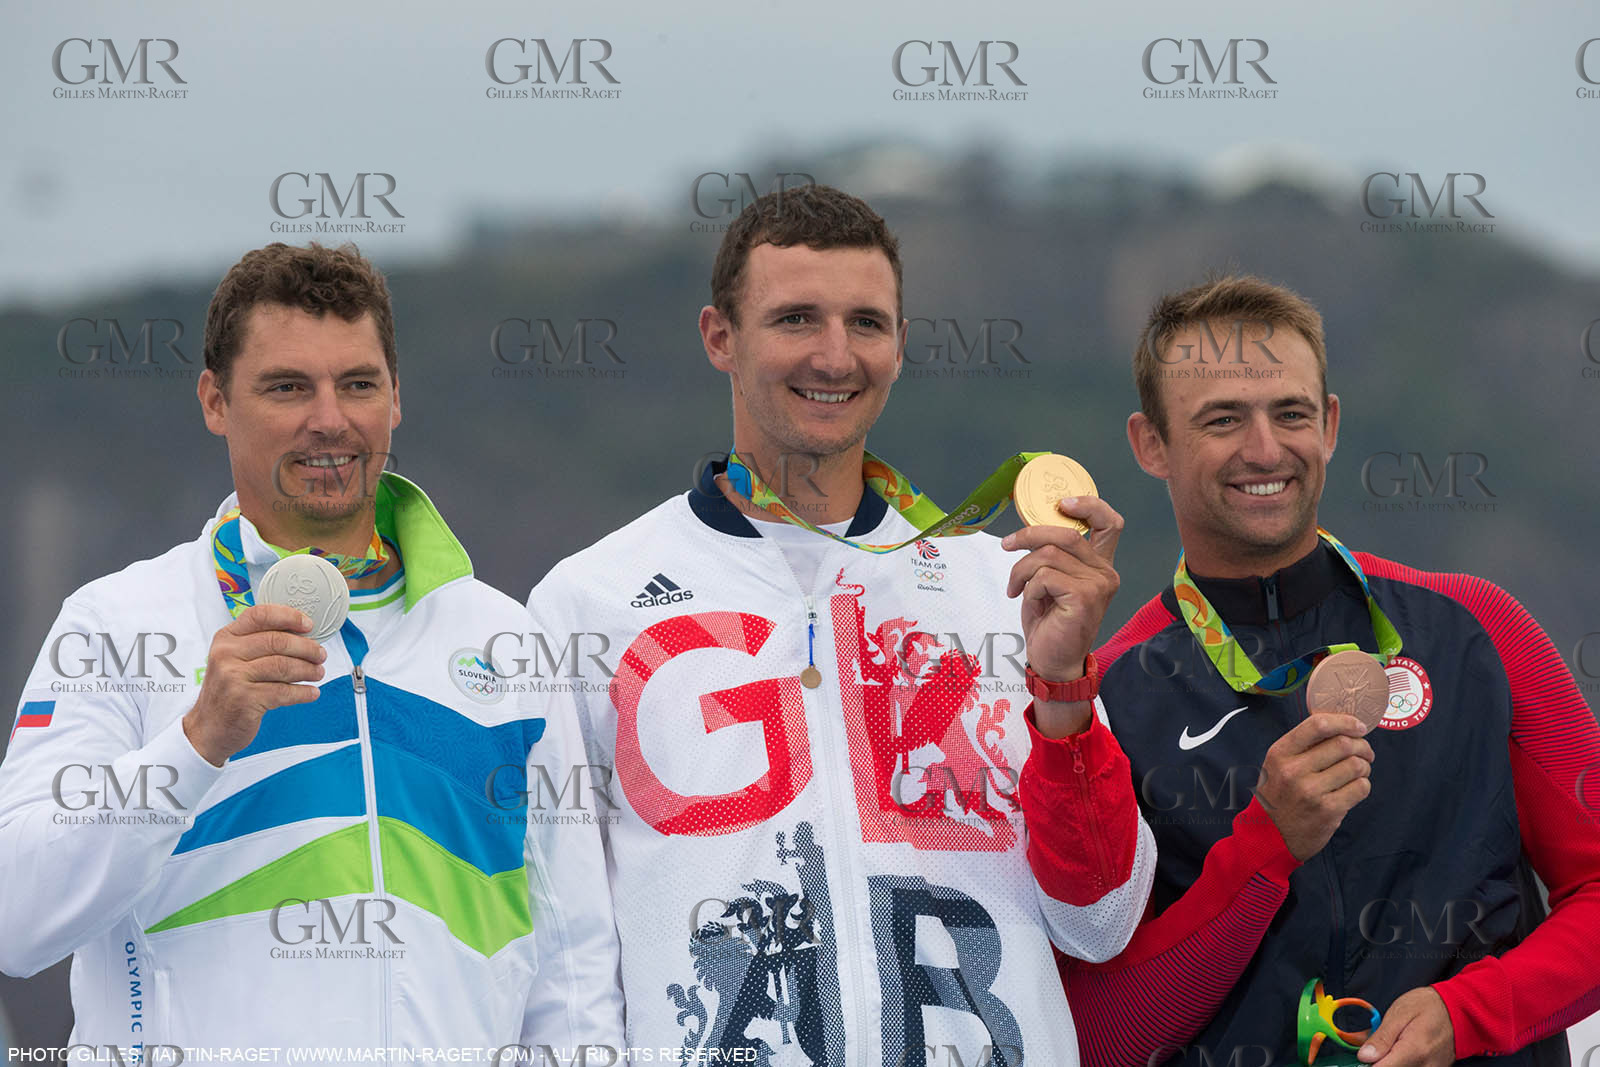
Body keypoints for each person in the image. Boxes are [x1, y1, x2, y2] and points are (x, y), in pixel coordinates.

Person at [524, 183, 1155, 1067]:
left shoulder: (1001, 586)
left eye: (867, 323)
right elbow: (569, 956)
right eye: (795, 319)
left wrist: (1061, 693)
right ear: (720, 337)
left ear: (900, 346)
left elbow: (1099, 919)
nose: (835, 355)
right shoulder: (588, 602)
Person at [0, 243, 623, 1058]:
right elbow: (19, 915)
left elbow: (572, 962)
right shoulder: (116, 625)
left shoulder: (504, 640)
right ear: (215, 401)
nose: (329, 418)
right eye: (288, 386)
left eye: (358, 384)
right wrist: (195, 744)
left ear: (396, 399)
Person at [1067, 275, 1600, 1067]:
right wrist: (1264, 848)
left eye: (1291, 413)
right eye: (1223, 419)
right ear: (1151, 444)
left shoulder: (1476, 627)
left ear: (1332, 424)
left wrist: (1470, 1014)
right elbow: (1105, 1033)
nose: (1265, 448)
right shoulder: (1111, 696)